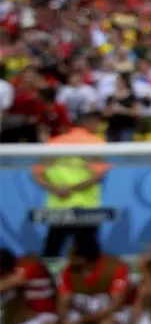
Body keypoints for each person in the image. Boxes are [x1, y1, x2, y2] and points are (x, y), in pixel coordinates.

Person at [32, 110, 111, 258]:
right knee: (88, 252)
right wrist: (72, 189)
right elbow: (98, 175)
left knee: (52, 249)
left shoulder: (54, 143)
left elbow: (37, 174)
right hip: (86, 205)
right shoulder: (96, 143)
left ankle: (48, 278)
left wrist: (56, 189)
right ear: (89, 123)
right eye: (97, 123)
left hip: (58, 205)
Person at [57, 239, 132, 324]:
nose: (68, 259)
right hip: (82, 314)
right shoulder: (69, 271)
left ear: (83, 258)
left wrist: (82, 320)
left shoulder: (115, 267)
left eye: (72, 255)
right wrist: (65, 321)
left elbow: (116, 305)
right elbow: (63, 302)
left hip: (113, 313)